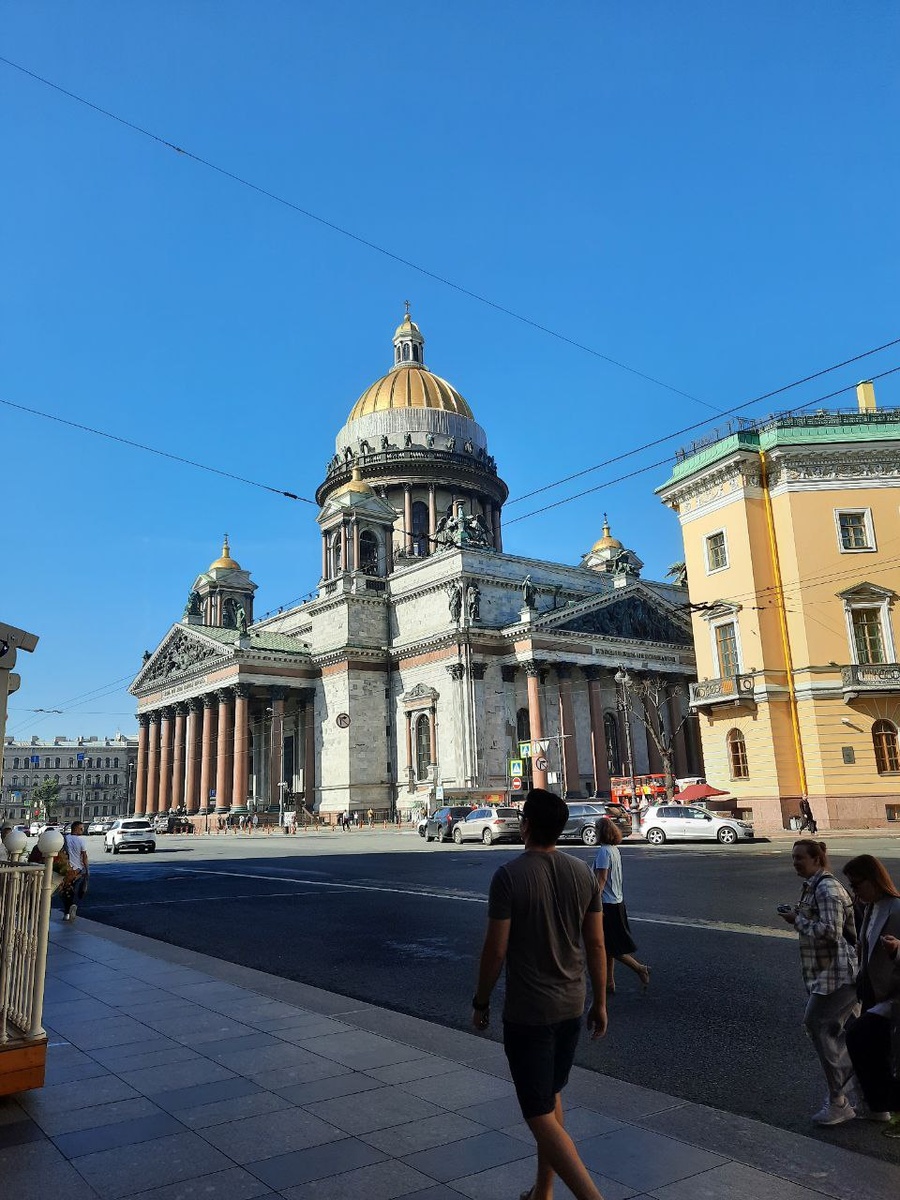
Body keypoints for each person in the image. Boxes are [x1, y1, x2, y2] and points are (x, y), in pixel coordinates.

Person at [471, 788, 608, 1200]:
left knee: (537, 1113)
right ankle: (543, 1193)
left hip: (529, 1012)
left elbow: (495, 950)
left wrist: (481, 1001)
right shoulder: (583, 872)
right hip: (572, 1005)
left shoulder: (510, 875)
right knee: (550, 1097)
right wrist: (600, 1001)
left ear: (526, 825)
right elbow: (597, 945)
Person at [779, 839, 859, 1125]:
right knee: (851, 1034)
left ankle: (839, 1100)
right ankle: (873, 1097)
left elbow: (830, 932)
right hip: (828, 972)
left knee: (817, 1024)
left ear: (816, 859)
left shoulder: (826, 888)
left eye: (799, 858)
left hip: (837, 975)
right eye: (793, 858)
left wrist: (796, 921)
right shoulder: (813, 886)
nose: (795, 863)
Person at [842, 855, 900, 1135]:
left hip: (893, 996)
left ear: (874, 879)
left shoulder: (896, 909)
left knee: (859, 1036)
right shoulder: (871, 907)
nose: (854, 891)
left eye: (857, 884)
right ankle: (879, 1108)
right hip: (873, 992)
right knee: (873, 1046)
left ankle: (884, 1106)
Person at [592, 817, 650, 994]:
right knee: (608, 946)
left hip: (607, 905)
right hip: (618, 902)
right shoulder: (614, 850)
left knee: (613, 948)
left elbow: (601, 879)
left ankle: (640, 968)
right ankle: (609, 982)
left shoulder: (603, 852)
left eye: (596, 829)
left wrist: (594, 902)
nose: (594, 832)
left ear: (601, 832)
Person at [61, 820, 89, 922]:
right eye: (81, 828)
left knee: (66, 891)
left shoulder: (65, 838)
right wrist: (87, 869)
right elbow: (84, 856)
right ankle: (72, 906)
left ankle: (66, 913)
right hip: (78, 870)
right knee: (76, 890)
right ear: (75, 829)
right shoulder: (81, 841)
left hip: (66, 870)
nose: (83, 830)